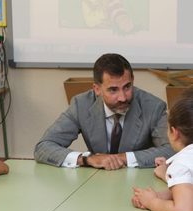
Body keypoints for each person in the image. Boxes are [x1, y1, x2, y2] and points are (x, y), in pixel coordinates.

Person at [34, 53, 174, 170]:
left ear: (132, 81)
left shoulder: (153, 107)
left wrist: (122, 158)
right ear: (97, 89)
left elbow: (172, 150)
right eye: (113, 90)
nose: (122, 97)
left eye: (127, 87)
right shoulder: (81, 105)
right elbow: (43, 147)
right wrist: (87, 159)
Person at [132, 91, 193, 211]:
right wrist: (158, 196)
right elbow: (187, 190)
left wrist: (152, 202)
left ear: (174, 132)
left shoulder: (182, 163)